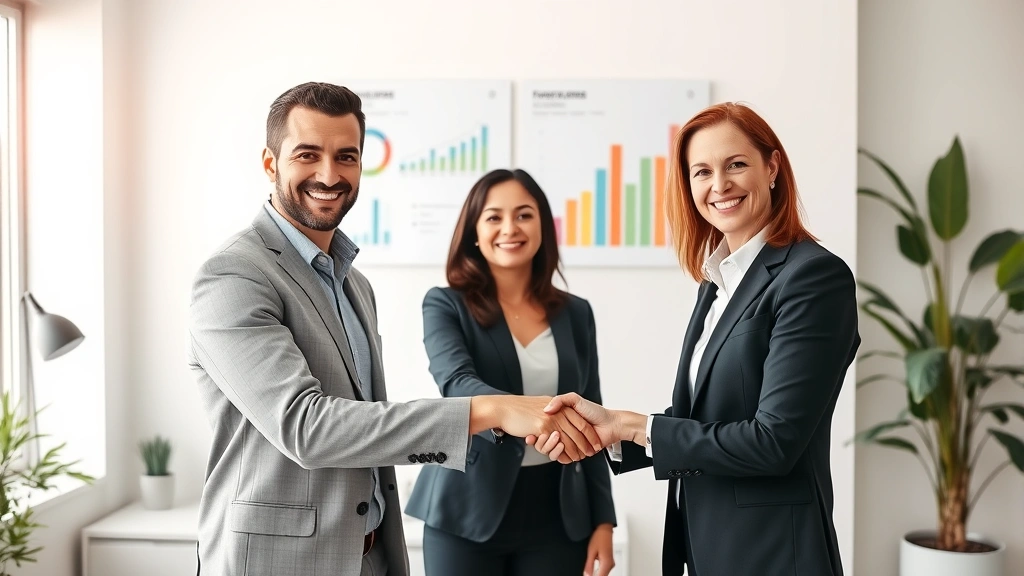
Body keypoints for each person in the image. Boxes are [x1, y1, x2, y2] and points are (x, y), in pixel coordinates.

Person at [188, 82, 599, 576]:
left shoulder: (353, 283)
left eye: (346, 156)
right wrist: (495, 409)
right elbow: (307, 428)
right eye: (307, 154)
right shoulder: (235, 274)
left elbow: (365, 419)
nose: (329, 174)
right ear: (270, 163)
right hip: (284, 560)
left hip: (369, 553)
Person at [531, 102, 859, 576]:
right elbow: (707, 421)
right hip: (706, 545)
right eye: (701, 171)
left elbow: (774, 441)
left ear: (772, 167)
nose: (719, 185)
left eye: (736, 165)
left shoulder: (813, 278)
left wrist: (633, 424)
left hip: (772, 554)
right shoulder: (717, 281)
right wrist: (612, 432)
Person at [404, 169, 617, 576]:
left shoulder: (576, 313)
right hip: (465, 508)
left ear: (542, 227)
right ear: (474, 232)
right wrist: (521, 411)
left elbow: (594, 414)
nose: (510, 228)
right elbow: (456, 383)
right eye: (494, 217)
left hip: (558, 514)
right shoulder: (446, 305)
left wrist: (603, 520)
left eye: (523, 215)